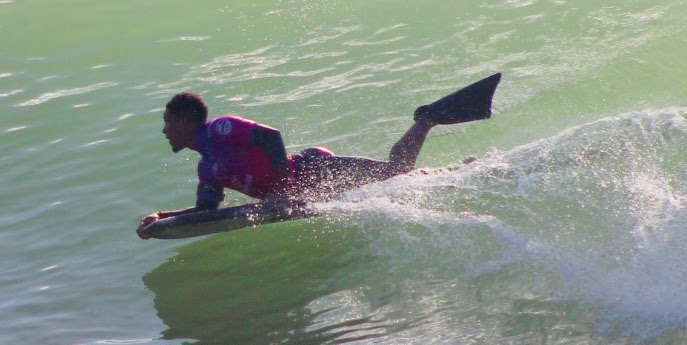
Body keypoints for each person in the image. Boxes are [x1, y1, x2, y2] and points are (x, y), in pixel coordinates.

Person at [136, 74, 498, 238]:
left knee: (397, 172)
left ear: (185, 121)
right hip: (304, 191)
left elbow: (271, 138)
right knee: (397, 183)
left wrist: (279, 189)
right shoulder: (207, 169)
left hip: (314, 169)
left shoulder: (221, 129)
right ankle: (459, 170)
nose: (165, 131)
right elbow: (207, 212)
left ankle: (428, 117)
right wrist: (163, 217)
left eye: (168, 123)